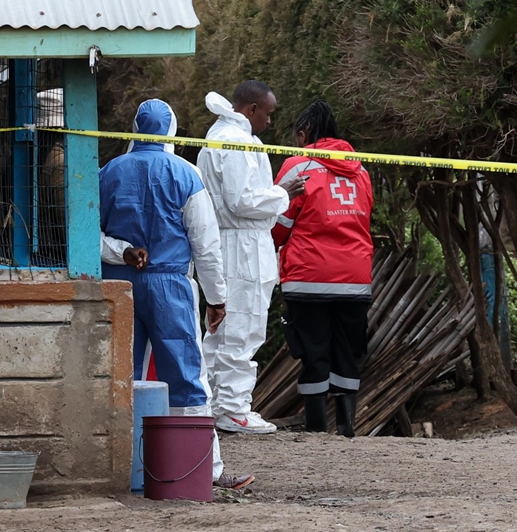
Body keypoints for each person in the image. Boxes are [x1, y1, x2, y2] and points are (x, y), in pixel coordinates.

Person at [100, 98, 251, 489]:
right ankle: (204, 470)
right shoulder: (185, 174)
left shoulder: (107, 173)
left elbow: (85, 234)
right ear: (171, 133)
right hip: (171, 287)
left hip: (118, 284)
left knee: (121, 374)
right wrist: (217, 298)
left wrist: (122, 252)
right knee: (186, 376)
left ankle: (120, 470)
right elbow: (206, 244)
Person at [198, 82, 305, 435]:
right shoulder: (236, 142)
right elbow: (241, 200)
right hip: (243, 248)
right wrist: (281, 193)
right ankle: (232, 408)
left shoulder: (221, 137)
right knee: (241, 330)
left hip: (235, 243)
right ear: (251, 109)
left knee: (221, 332)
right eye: (269, 114)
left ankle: (214, 404)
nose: (269, 123)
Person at [272, 99, 374, 437]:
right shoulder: (362, 170)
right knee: (348, 352)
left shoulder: (298, 166)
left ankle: (317, 432)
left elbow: (279, 222)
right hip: (355, 280)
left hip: (308, 277)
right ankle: (347, 429)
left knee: (313, 352)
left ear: (303, 134)